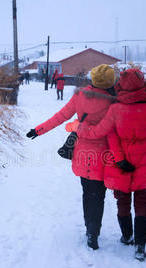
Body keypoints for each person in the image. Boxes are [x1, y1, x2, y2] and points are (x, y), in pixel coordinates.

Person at [66, 68, 146, 261]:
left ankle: (126, 235)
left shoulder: (115, 108)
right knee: (142, 200)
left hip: (121, 158)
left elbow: (108, 134)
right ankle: (140, 245)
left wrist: (119, 157)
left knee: (122, 197)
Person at [26, 64, 118, 250]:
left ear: (93, 79)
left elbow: (60, 117)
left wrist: (38, 130)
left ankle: (89, 230)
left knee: (86, 192)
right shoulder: (115, 102)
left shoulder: (80, 95)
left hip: (82, 153)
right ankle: (94, 232)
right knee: (98, 196)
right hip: (103, 154)